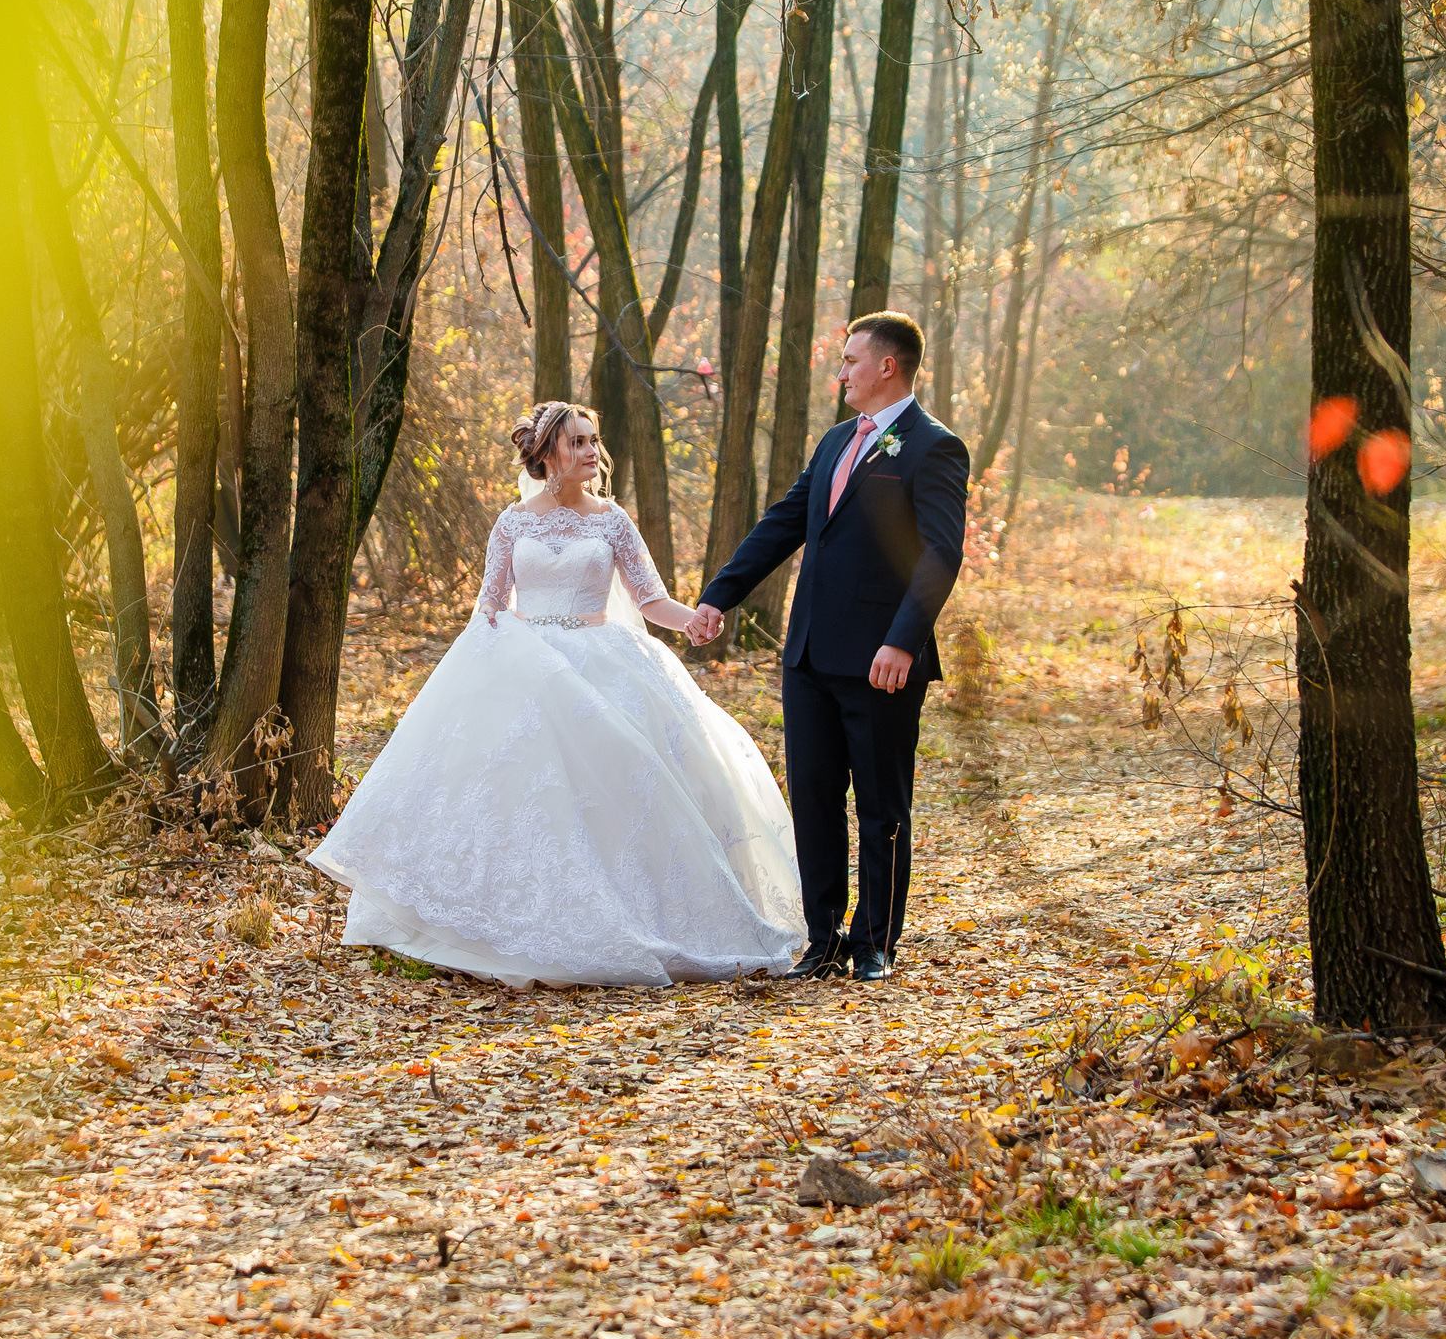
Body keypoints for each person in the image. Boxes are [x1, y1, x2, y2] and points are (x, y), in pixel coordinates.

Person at [307, 402, 806, 987]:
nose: (592, 452)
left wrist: (694, 620)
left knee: (626, 782)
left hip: (605, 660)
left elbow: (649, 600)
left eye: (594, 441)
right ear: (547, 455)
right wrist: (490, 648)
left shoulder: (614, 520)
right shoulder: (513, 522)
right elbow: (491, 601)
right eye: (579, 443)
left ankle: (643, 909)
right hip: (530, 666)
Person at [690, 311, 969, 982]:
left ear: (887, 367)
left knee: (881, 803)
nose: (840, 371)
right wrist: (719, 594)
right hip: (810, 655)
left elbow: (941, 553)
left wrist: (903, 641)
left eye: (849, 359)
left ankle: (874, 942)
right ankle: (822, 939)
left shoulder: (933, 447)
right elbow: (783, 522)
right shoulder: (834, 442)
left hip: (881, 662)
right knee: (813, 799)